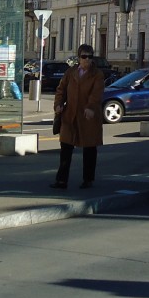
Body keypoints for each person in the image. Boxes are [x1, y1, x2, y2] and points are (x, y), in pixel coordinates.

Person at [51, 45, 105, 190]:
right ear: (79, 57)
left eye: (90, 56)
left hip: (88, 117)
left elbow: (96, 93)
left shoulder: (97, 74)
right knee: (66, 149)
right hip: (70, 115)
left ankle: (88, 179)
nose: (87, 60)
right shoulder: (71, 72)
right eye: (84, 56)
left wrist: (91, 107)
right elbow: (61, 90)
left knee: (89, 149)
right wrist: (58, 104)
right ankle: (61, 180)